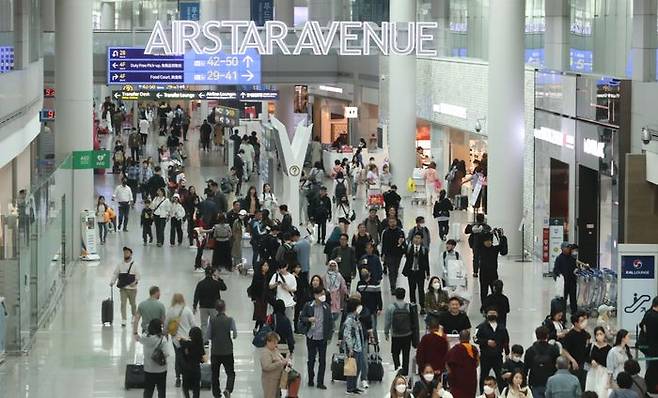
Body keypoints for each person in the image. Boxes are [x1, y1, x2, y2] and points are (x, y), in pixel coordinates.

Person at [299, 286, 333, 389]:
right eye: (320, 294)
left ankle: (320, 382)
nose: (322, 296)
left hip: (322, 337)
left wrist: (329, 336)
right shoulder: (308, 306)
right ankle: (310, 378)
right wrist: (309, 319)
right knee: (311, 359)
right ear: (315, 295)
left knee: (322, 360)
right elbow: (302, 318)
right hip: (311, 336)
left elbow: (330, 323)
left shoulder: (326, 307)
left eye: (323, 294)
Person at [165, 293, 197, 387]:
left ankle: (178, 378)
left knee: (178, 357)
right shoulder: (187, 310)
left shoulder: (171, 310)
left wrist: (165, 334)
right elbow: (193, 325)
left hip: (175, 339)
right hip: (186, 338)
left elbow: (166, 324)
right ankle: (187, 377)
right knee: (187, 358)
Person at [207, 299, 237, 398]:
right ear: (224, 308)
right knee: (230, 373)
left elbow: (208, 336)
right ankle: (228, 389)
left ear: (216, 309)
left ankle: (216, 393)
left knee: (215, 374)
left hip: (215, 351)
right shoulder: (230, 320)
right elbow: (235, 334)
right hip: (227, 350)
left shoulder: (212, 321)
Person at [476, 306, 510, 390]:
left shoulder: (502, 328)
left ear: (497, 314)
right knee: (484, 376)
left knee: (500, 376)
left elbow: (506, 341)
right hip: (485, 356)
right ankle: (483, 393)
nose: (492, 315)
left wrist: (507, 353)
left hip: (498, 356)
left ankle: (503, 393)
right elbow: (476, 339)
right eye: (490, 313)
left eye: (494, 313)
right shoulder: (481, 327)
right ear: (486, 314)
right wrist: (486, 342)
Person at [137, 319, 173, 398]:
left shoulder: (144, 338)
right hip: (161, 370)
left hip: (148, 369)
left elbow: (140, 337)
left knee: (148, 390)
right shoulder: (162, 339)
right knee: (161, 391)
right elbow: (167, 353)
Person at [192, 267, 227, 344]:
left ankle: (205, 341)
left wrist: (194, 306)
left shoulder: (200, 283)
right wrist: (219, 278)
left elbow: (196, 295)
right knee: (214, 323)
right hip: (214, 307)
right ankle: (215, 339)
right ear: (212, 274)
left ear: (205, 273)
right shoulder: (216, 283)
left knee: (204, 324)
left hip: (203, 306)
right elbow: (224, 288)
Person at [385, 287, 414, 376]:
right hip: (407, 334)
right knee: (406, 353)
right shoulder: (409, 307)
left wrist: (386, 332)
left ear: (395, 295)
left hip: (395, 334)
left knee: (395, 352)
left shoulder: (391, 307)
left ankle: (397, 368)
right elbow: (413, 321)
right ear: (404, 295)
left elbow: (388, 321)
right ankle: (405, 372)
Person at [524, 326, 561, 398]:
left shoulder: (530, 350)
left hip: (535, 381)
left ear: (536, 336)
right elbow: (558, 366)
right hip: (550, 381)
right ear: (547, 335)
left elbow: (526, 368)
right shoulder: (554, 349)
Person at [109, 247, 139, 327]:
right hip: (123, 288)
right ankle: (124, 319)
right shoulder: (120, 264)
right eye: (124, 253)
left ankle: (133, 315)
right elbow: (115, 273)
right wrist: (112, 281)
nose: (125, 254)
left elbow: (138, 276)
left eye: (127, 253)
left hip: (132, 289)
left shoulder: (135, 264)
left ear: (131, 254)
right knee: (123, 304)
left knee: (133, 303)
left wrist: (135, 282)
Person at [561, 311, 591, 390]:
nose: (584, 323)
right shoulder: (570, 335)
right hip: (573, 365)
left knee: (583, 385)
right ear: (576, 323)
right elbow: (564, 350)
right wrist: (572, 360)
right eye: (581, 321)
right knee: (574, 386)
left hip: (584, 364)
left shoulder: (585, 334)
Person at [445, 329, 480, 398]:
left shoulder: (454, 349)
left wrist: (450, 373)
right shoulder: (474, 349)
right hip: (470, 380)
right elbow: (477, 363)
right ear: (469, 338)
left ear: (459, 338)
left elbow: (447, 363)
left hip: (457, 380)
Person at [343, 298, 367, 395]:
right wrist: (350, 348)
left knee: (358, 367)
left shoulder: (356, 318)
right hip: (353, 348)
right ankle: (350, 387)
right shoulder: (349, 319)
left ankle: (354, 386)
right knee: (351, 368)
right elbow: (347, 334)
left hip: (359, 346)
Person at [402, 233, 430, 314]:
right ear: (413, 239)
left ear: (421, 240)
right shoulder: (409, 248)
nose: (417, 239)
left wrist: (427, 273)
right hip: (411, 272)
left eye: (419, 238)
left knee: (421, 290)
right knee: (412, 289)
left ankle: (422, 306)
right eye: (415, 238)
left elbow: (426, 262)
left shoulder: (424, 250)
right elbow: (405, 255)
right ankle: (413, 305)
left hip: (420, 272)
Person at [478, 231, 508, 302]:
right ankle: (484, 306)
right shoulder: (480, 248)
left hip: (493, 273)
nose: (488, 242)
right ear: (483, 242)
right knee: (483, 291)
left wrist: (501, 237)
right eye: (486, 241)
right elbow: (479, 238)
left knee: (496, 291)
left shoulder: (494, 249)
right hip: (483, 274)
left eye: (490, 241)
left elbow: (503, 251)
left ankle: (495, 305)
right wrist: (489, 232)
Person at [260, 332, 291, 398]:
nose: (276, 344)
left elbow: (281, 358)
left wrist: (286, 361)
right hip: (270, 381)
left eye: (277, 342)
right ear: (268, 342)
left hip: (278, 379)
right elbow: (266, 367)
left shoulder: (275, 350)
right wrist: (280, 363)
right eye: (274, 343)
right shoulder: (265, 353)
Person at [584, 326, 612, 397]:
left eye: (601, 334)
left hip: (603, 372)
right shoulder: (592, 346)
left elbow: (610, 363)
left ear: (604, 334)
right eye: (597, 334)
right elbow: (585, 356)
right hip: (592, 371)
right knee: (591, 389)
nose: (599, 336)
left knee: (601, 391)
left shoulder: (609, 348)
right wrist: (591, 360)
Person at [179, 326, 206, 398]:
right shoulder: (200, 345)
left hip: (186, 370)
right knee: (196, 388)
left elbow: (181, 349)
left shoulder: (186, 344)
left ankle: (187, 396)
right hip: (196, 370)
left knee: (185, 387)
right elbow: (202, 360)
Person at [552, 242, 579, 314]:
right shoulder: (559, 258)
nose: (568, 249)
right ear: (562, 249)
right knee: (563, 299)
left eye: (569, 248)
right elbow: (556, 270)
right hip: (564, 283)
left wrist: (576, 270)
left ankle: (574, 313)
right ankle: (562, 315)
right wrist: (559, 276)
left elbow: (575, 267)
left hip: (572, 281)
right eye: (567, 247)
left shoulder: (572, 258)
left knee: (573, 298)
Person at [639, 296, 658, 394]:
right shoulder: (655, 317)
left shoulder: (648, 313)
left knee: (649, 367)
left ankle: (648, 387)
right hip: (655, 348)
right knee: (653, 368)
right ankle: (652, 387)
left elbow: (641, 325)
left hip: (647, 347)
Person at [381, 217, 406, 290]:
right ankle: (392, 286)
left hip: (398, 254)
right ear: (388, 223)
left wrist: (404, 250)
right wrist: (383, 254)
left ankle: (394, 282)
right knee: (391, 270)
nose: (392, 223)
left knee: (396, 270)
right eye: (390, 222)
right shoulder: (385, 232)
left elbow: (404, 243)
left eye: (393, 221)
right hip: (389, 254)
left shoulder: (400, 231)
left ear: (396, 222)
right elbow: (384, 244)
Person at [356, 268, 383, 334]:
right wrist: (380, 308)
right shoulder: (375, 284)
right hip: (372, 308)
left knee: (364, 326)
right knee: (373, 327)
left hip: (363, 309)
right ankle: (374, 341)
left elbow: (358, 296)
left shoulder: (360, 284)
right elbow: (378, 297)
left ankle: (368, 339)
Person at [248, 261, 272, 333]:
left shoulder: (269, 276)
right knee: (259, 314)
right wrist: (253, 298)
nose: (266, 267)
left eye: (267, 266)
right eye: (264, 265)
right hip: (258, 297)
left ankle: (258, 328)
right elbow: (253, 286)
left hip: (265, 298)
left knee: (263, 314)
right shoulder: (257, 275)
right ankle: (258, 328)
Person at [465, 213, 491, 277]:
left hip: (475, 245)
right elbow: (489, 233)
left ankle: (475, 272)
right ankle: (483, 270)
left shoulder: (473, 226)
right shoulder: (486, 226)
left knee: (475, 258)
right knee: (484, 258)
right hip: (484, 245)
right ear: (483, 219)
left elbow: (466, 231)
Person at [324, 260, 349, 327]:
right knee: (329, 311)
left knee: (337, 313)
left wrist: (346, 292)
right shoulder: (325, 276)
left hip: (337, 296)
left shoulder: (339, 276)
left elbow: (343, 285)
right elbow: (323, 285)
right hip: (328, 296)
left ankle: (331, 322)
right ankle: (330, 324)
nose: (332, 267)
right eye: (331, 266)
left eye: (334, 266)